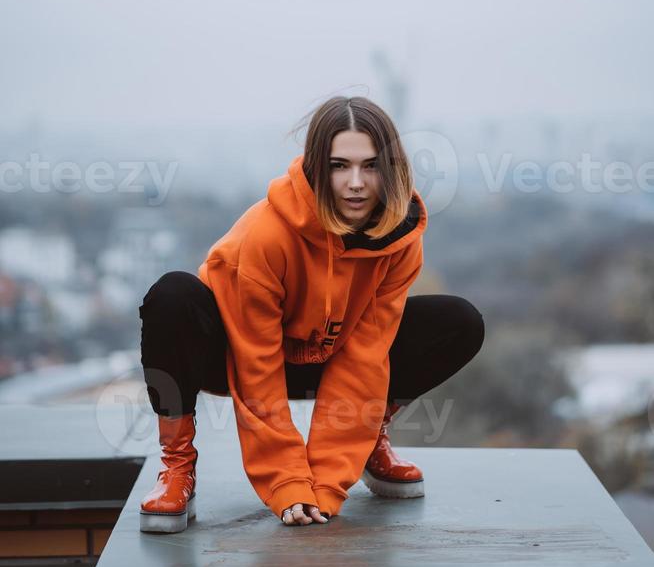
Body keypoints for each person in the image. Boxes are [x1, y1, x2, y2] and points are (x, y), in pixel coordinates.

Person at [138, 95, 485, 533]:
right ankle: (177, 466)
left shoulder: (401, 242)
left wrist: (325, 486)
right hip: (232, 357)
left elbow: (365, 357)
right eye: (340, 166)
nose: (356, 182)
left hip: (326, 354)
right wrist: (288, 485)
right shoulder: (267, 236)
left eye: (371, 166)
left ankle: (367, 445)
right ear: (317, 167)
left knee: (457, 321)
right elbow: (257, 367)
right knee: (172, 296)